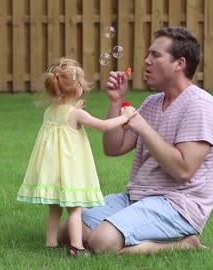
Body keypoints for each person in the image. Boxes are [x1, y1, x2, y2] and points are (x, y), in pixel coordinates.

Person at [59, 27, 213, 255]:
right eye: (148, 55)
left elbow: (184, 170)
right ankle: (126, 234)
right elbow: (113, 148)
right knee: (69, 231)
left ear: (180, 64)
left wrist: (143, 127)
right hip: (137, 198)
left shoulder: (200, 106)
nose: (146, 61)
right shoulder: (152, 103)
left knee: (101, 242)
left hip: (178, 205)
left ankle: (184, 244)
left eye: (155, 56)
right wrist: (116, 102)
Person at [16, 58, 137, 256]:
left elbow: (63, 127)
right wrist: (126, 116)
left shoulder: (50, 111)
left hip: (53, 171)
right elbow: (103, 126)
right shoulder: (76, 114)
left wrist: (76, 110)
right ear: (78, 87)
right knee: (75, 210)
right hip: (70, 170)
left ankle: (51, 244)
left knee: (54, 209)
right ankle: (77, 247)